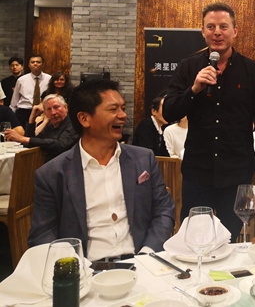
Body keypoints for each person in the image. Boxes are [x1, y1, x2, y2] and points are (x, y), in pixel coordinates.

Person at [28, 79, 175, 260]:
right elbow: (43, 235)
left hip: (140, 261)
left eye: (123, 108)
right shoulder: (52, 174)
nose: (123, 115)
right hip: (86, 267)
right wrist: (74, 268)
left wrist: (147, 254)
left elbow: (164, 210)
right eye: (113, 109)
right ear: (84, 119)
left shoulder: (143, 159)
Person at [162, 2, 255, 237]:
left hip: (237, 173)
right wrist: (194, 89)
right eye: (211, 27)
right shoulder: (188, 67)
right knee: (193, 238)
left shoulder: (252, 71)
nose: (217, 32)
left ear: (235, 31)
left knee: (231, 238)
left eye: (223, 26)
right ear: (202, 31)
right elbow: (169, 113)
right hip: (197, 172)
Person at [4, 94, 78, 162]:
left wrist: (24, 139)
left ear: (65, 107)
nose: (53, 112)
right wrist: (31, 120)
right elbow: (31, 144)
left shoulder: (74, 123)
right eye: (49, 109)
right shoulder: (50, 126)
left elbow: (60, 145)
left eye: (56, 107)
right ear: (45, 113)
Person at [10, 54, 51, 127]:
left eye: (38, 62)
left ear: (43, 64)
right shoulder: (21, 80)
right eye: (32, 62)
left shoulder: (49, 79)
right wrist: (12, 116)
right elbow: (14, 100)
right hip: (24, 112)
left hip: (43, 112)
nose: (35, 64)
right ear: (29, 65)